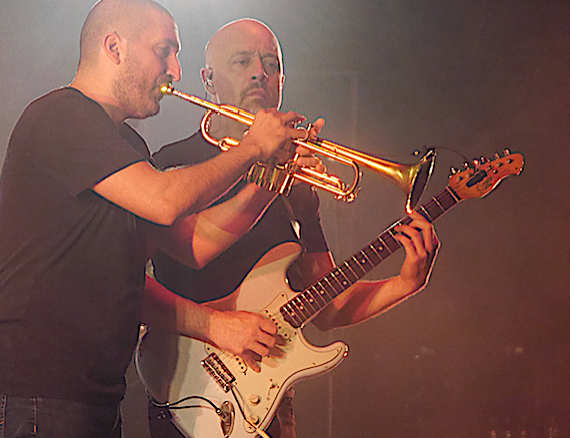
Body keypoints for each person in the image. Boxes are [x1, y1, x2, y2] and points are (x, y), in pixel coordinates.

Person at [0, 1, 313, 437]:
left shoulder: (124, 144)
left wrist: (274, 174)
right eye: (164, 50)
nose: (176, 69)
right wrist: (251, 148)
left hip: (95, 395)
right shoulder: (61, 115)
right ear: (115, 47)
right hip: (38, 391)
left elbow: (194, 244)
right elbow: (165, 199)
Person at [143, 18, 440, 438]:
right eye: (242, 61)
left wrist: (405, 283)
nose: (259, 73)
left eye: (271, 64)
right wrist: (270, 178)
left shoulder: (298, 180)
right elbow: (182, 252)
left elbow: (328, 305)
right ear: (208, 80)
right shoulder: (172, 165)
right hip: (192, 399)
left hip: (270, 405)